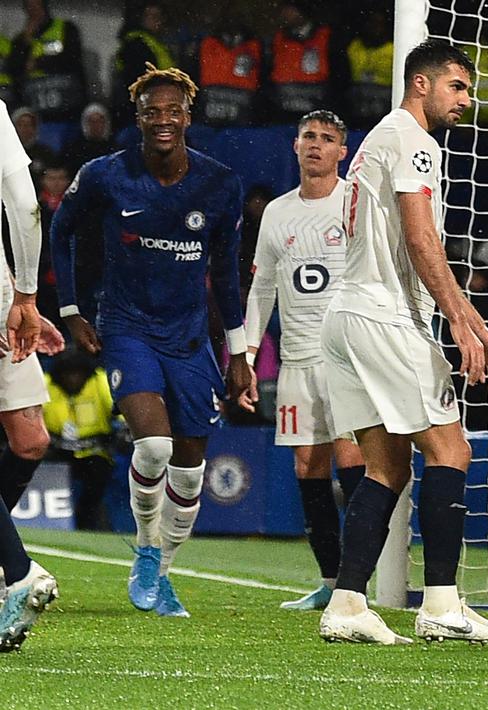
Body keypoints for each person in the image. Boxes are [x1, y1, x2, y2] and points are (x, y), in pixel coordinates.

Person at [316, 39, 488, 645]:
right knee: (451, 451)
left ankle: (347, 604)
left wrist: (470, 320)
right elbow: (421, 236)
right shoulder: (412, 140)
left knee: (386, 466)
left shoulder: (383, 137)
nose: (467, 100)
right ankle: (442, 605)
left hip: (345, 318)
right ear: (421, 84)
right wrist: (461, 320)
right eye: (458, 87)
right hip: (382, 317)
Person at [50, 64, 250, 619]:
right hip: (127, 328)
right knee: (154, 448)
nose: (162, 120)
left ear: (189, 117)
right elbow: (61, 230)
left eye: (172, 111)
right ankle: (143, 548)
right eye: (151, 112)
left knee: (189, 473)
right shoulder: (105, 176)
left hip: (190, 340)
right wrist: (70, 310)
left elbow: (228, 275)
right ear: (137, 119)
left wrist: (239, 353)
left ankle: (163, 573)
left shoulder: (219, 183)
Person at [238, 109, 365, 611]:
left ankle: (359, 581)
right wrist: (247, 353)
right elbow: (262, 285)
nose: (316, 144)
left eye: (327, 138)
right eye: (308, 136)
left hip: (347, 357)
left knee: (351, 460)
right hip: (295, 359)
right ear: (294, 146)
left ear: (342, 151)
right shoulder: (277, 211)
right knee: (308, 465)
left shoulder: (354, 203)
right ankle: (332, 582)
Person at [0, 94, 58, 651]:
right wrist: (25, 296)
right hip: (1, 287)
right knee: (28, 437)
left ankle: (18, 573)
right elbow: (24, 203)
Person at [43, 348, 119, 531]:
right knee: (30, 464)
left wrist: (123, 426)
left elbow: (118, 405)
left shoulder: (99, 380)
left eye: (77, 374)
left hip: (93, 451)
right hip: (55, 450)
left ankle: (87, 519)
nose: (72, 379)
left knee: (99, 474)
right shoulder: (45, 384)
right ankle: (42, 519)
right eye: (67, 374)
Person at [5, 0, 85, 121]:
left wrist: (38, 63)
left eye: (37, 5)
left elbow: (72, 59)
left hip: (67, 104)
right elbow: (13, 68)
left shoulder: (65, 28)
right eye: (30, 6)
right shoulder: (20, 40)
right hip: (35, 108)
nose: (34, 10)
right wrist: (25, 42)